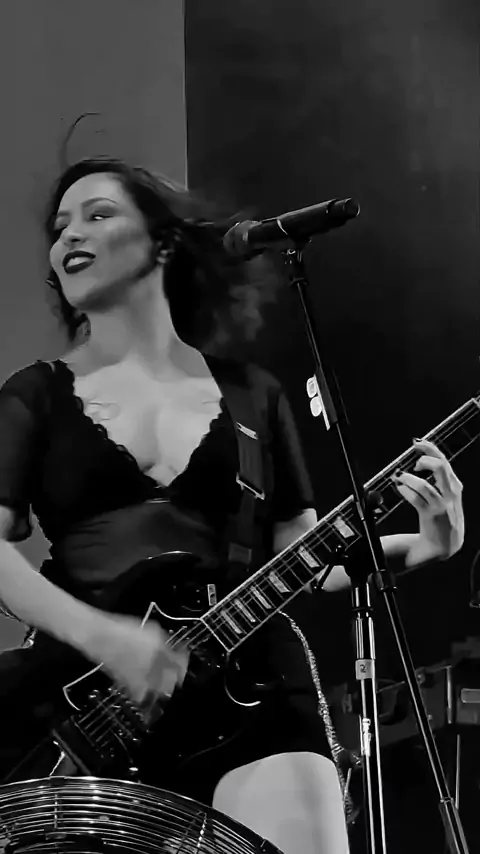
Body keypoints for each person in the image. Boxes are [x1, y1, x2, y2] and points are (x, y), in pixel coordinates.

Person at [0, 157, 464, 854]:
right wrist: (104, 637)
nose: (70, 235)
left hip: (248, 675)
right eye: (60, 225)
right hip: (83, 692)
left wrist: (425, 545)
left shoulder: (253, 395)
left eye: (98, 214)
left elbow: (306, 560)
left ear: (162, 242)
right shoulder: (33, 394)